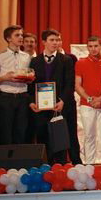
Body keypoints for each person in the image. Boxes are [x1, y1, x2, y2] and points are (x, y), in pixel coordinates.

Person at [28, 29, 75, 163]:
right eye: (52, 40)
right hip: (41, 107)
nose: (55, 43)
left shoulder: (66, 60)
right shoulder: (34, 61)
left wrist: (63, 101)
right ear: (44, 42)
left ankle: (60, 167)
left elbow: (69, 83)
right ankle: (44, 167)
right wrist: (31, 102)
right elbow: (30, 85)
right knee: (42, 137)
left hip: (58, 106)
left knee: (60, 139)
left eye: (57, 40)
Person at [0, 25, 32, 144]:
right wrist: (4, 77)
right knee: (5, 131)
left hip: (23, 97)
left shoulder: (27, 56)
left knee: (21, 131)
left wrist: (29, 78)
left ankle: (20, 156)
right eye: (17, 35)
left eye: (21, 35)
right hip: (6, 97)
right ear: (8, 38)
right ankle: (7, 156)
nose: (21, 37)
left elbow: (28, 76)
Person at [75, 36, 101, 164]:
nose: (93, 49)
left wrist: (100, 99)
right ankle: (89, 165)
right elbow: (77, 85)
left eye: (96, 46)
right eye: (90, 46)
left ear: (100, 46)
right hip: (87, 104)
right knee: (89, 136)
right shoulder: (81, 63)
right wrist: (90, 99)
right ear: (87, 47)